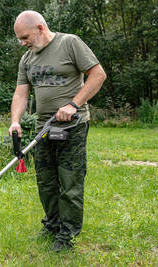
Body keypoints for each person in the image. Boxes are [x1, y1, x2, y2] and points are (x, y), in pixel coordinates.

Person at [9, 10, 107, 252]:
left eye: (25, 37)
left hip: (72, 126)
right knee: (46, 182)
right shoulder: (27, 59)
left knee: (70, 182)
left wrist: (74, 104)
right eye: (19, 39)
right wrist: (15, 121)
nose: (23, 43)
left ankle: (67, 235)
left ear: (40, 28)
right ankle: (52, 224)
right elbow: (22, 92)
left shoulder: (69, 43)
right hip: (44, 128)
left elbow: (98, 75)